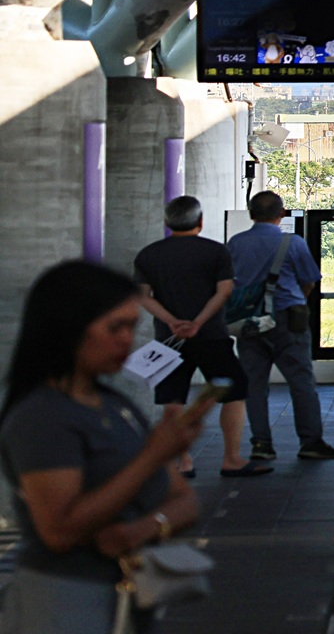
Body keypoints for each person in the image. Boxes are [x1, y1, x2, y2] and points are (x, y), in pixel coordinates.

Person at [0, 261, 211, 633]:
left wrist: (145, 528)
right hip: (64, 600)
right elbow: (60, 529)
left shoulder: (115, 405)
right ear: (70, 328)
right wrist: (151, 457)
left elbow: (184, 500)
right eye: (115, 328)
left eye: (131, 327)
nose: (126, 341)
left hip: (127, 595)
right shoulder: (43, 416)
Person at [133, 196, 272, 479]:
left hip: (169, 341)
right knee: (234, 392)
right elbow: (224, 292)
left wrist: (173, 322)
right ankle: (231, 458)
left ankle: (182, 461)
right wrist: (197, 322)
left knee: (173, 401)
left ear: (167, 223)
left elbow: (142, 296)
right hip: (211, 336)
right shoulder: (215, 252)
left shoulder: (148, 254)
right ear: (200, 222)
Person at [226, 191, 334, 461]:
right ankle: (311, 442)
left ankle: (261, 445)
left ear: (251, 213)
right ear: (283, 213)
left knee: (254, 385)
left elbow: (229, 282)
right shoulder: (293, 243)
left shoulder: (236, 243)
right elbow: (309, 280)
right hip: (289, 319)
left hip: (249, 322)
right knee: (301, 381)